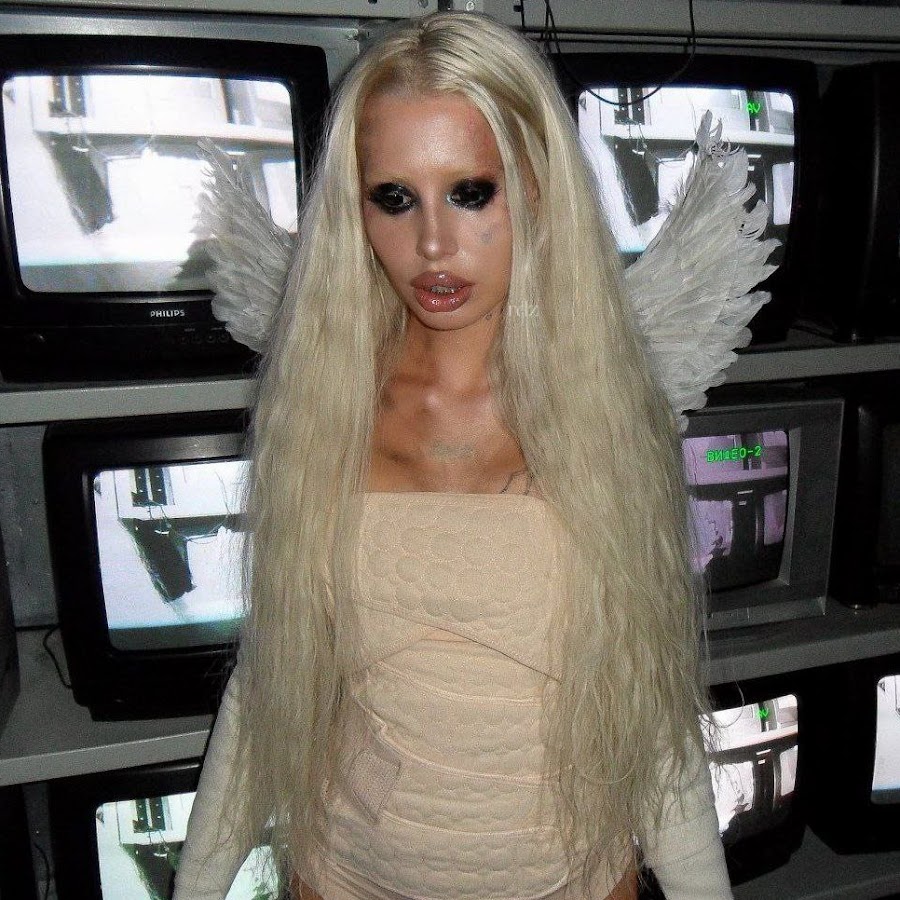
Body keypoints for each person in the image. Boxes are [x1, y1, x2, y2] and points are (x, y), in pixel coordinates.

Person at [173, 11, 734, 900]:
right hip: (347, 880)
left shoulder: (610, 413)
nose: (433, 245)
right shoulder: (321, 407)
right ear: (353, 210)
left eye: (471, 192)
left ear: (538, 187)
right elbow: (272, 678)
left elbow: (651, 707)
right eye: (394, 198)